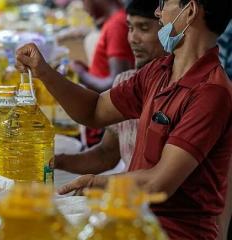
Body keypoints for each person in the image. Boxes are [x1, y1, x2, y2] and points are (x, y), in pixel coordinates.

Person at [15, 0, 232, 239]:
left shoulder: (211, 92)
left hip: (173, 233)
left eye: (163, 3)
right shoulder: (159, 71)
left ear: (189, 11)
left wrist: (96, 183)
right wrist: (43, 72)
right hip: (136, 219)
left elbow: (157, 184)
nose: (157, 11)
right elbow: (95, 110)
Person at [53, 0, 165, 174]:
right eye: (130, 28)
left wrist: (97, 183)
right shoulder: (125, 82)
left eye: (143, 28)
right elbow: (105, 154)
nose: (133, 39)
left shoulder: (178, 90)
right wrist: (54, 162)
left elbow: (159, 178)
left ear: (168, 31)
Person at [73, 0, 134, 93]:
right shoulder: (114, 20)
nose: (84, 8)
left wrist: (80, 73)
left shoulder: (116, 25)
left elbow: (116, 83)